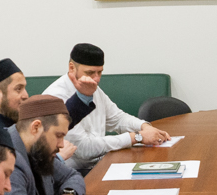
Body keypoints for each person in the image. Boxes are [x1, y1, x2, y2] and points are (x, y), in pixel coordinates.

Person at [44, 43, 171, 174]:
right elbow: (83, 149)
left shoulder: (91, 86)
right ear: (72, 68)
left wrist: (144, 127)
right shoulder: (55, 96)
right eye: (90, 72)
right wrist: (137, 137)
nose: (96, 79)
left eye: (100, 72)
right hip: (74, 172)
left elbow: (118, 118)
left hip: (100, 163)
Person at [0, 95, 101, 195]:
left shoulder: (37, 150)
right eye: (58, 135)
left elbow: (71, 175)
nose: (61, 145)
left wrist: (69, 193)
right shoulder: (6, 159)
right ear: (36, 127)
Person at [0, 58, 83, 160]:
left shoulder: (12, 115)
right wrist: (58, 158)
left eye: (24, 88)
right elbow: (15, 170)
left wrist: (83, 95)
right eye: (18, 89)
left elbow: (53, 122)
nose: (26, 95)